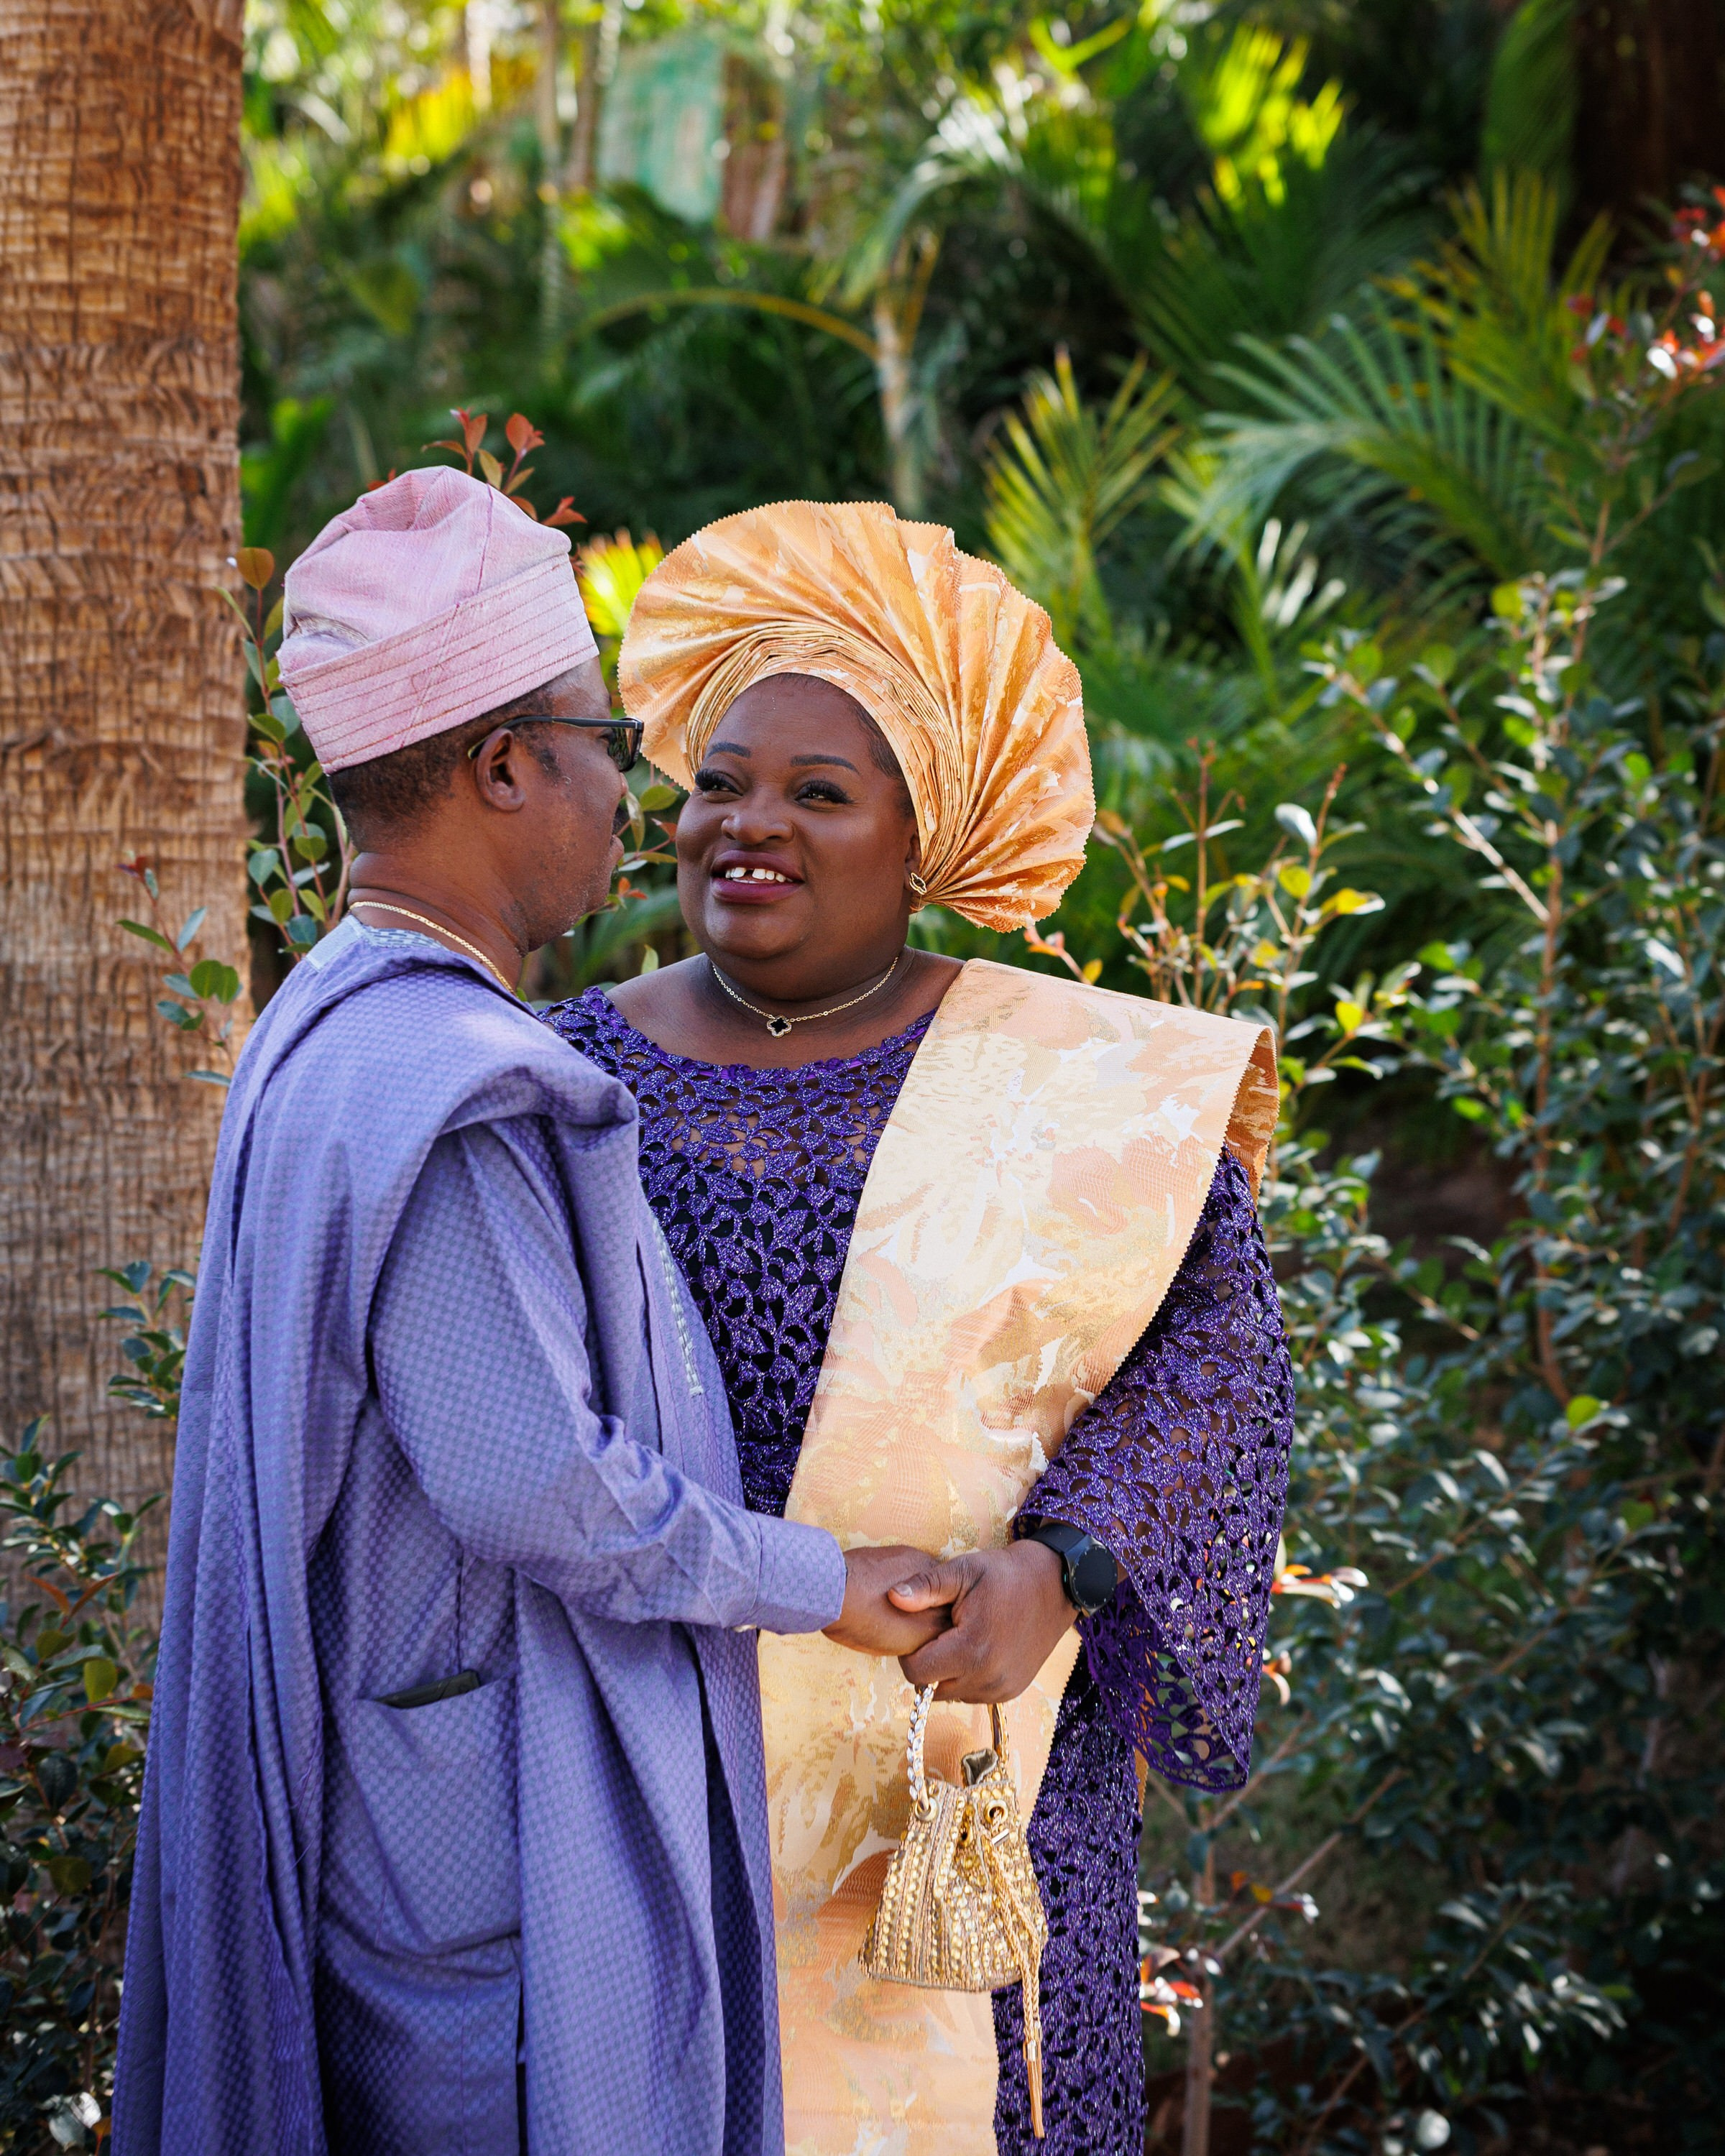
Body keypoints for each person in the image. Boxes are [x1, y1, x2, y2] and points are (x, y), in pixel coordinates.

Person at [113, 469, 938, 2156]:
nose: (634, 803)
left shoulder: (324, 1022)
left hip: (406, 1803)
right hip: (478, 1874)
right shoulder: (460, 1088)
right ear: (503, 766)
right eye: (601, 745)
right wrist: (820, 1581)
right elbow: (535, 1487)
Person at [545, 499, 1297, 2156]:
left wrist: (1062, 1574)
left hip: (970, 1771)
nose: (750, 824)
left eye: (821, 793)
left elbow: (1216, 1370)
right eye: (722, 781)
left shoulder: (1066, 1084)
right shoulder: (556, 1074)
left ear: (927, 829)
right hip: (639, 1750)